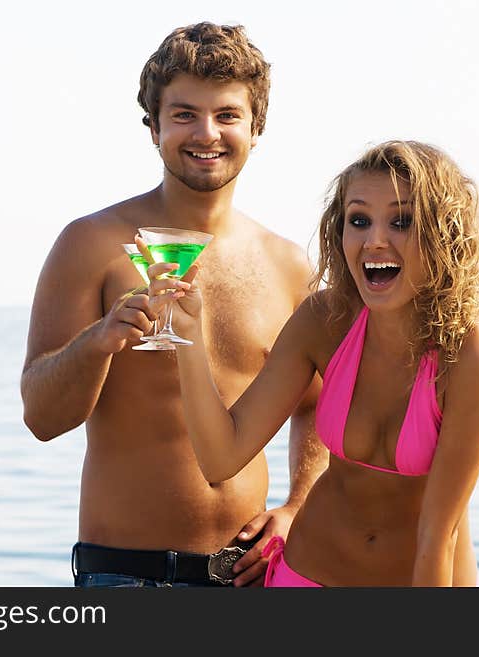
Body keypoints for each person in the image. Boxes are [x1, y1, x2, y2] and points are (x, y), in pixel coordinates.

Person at [20, 22, 327, 587]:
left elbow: (316, 407)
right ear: (153, 127)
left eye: (227, 115)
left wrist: (297, 507)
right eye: (184, 114)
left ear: (256, 128)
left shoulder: (288, 265)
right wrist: (100, 341)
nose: (206, 133)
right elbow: (42, 418)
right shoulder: (90, 245)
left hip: (247, 581)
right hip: (125, 578)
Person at [162, 140, 479, 585]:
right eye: (358, 220)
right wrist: (188, 337)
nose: (373, 240)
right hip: (302, 577)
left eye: (401, 221)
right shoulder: (326, 320)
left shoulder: (471, 354)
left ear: (443, 236)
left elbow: (438, 535)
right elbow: (220, 456)